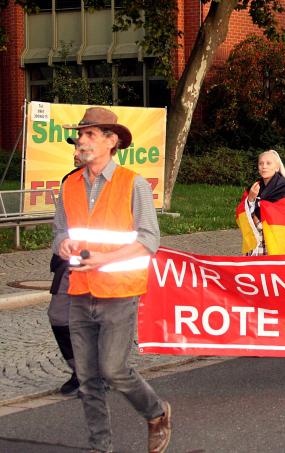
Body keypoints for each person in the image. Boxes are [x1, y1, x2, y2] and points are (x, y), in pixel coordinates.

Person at [54, 107, 171, 453]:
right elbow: (59, 232)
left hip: (119, 292)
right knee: (87, 379)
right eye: (81, 134)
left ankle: (156, 412)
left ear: (111, 140)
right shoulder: (70, 183)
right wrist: (63, 244)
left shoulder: (132, 183)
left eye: (89, 134)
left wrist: (105, 259)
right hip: (79, 290)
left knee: (113, 370)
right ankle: (99, 446)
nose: (81, 140)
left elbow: (150, 239)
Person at [47, 138, 84, 396]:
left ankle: (97, 374)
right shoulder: (70, 181)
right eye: (75, 147)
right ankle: (79, 370)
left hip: (103, 267)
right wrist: (60, 245)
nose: (75, 153)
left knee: (95, 321)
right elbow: (60, 224)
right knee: (58, 316)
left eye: (80, 147)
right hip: (68, 264)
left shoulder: (123, 183)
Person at [236, 150, 285, 256]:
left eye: (268, 163)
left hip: (277, 242)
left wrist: (256, 217)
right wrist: (251, 198)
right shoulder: (254, 187)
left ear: (277, 167)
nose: (264, 166)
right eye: (261, 163)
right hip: (257, 242)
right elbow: (241, 212)